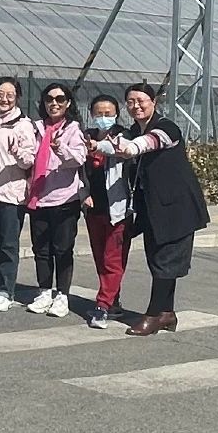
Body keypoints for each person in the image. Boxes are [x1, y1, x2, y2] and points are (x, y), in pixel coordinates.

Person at [116, 83, 211, 336]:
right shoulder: (132, 131)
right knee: (157, 260)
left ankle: (152, 315)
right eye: (131, 102)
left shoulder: (167, 127)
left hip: (177, 208)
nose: (136, 106)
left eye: (141, 100)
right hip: (152, 209)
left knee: (166, 261)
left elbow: (152, 141)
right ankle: (167, 313)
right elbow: (119, 144)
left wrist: (132, 148)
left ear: (154, 102)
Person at [23, 83, 87, 318]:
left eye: (60, 99)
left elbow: (79, 159)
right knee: (41, 249)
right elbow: (29, 157)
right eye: (50, 99)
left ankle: (62, 295)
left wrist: (61, 149)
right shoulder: (36, 128)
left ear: (68, 103)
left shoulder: (73, 129)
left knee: (62, 249)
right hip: (38, 197)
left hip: (64, 199)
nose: (54, 103)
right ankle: (44, 291)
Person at [0, 77, 37, 312]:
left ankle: (6, 290)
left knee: (8, 244)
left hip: (11, 194)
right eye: (0, 94)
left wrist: (17, 152)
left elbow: (29, 160)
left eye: (10, 95)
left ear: (17, 98)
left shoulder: (23, 125)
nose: (4, 99)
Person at [83, 94, 130, 329]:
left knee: (113, 259)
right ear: (92, 114)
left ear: (116, 114)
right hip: (93, 209)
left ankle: (102, 306)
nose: (103, 118)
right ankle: (113, 301)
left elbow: (120, 151)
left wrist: (100, 146)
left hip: (117, 209)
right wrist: (84, 194)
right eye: (99, 113)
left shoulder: (125, 137)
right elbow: (80, 170)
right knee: (100, 258)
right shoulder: (86, 137)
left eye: (108, 114)